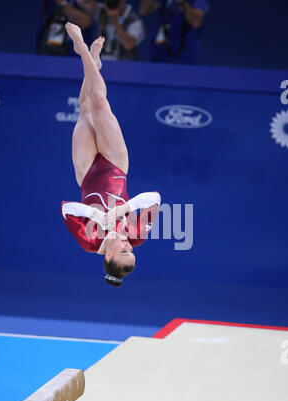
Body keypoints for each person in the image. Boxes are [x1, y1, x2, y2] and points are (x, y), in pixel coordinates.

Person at [61, 23, 161, 286]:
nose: (131, 247)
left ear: (109, 257)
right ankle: (82, 50)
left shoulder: (90, 241)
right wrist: (125, 209)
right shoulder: (137, 235)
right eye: (132, 252)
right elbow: (155, 198)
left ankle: (93, 61)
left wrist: (96, 217)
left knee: (84, 110)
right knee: (99, 102)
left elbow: (65, 209)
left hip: (85, 174)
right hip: (116, 165)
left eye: (125, 252)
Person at [139, 0, 209, 64]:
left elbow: (196, 22)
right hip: (160, 53)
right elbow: (144, 10)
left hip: (184, 56)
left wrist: (182, 2)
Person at [74, 0, 146, 60]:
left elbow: (128, 45)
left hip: (123, 66)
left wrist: (114, 20)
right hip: (100, 63)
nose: (112, 4)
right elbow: (81, 2)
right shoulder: (102, 11)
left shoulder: (134, 20)